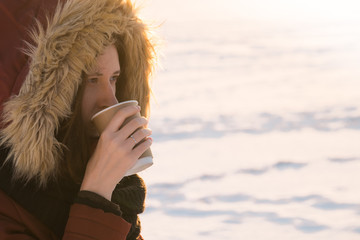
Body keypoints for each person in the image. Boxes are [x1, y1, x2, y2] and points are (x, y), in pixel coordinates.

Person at [0, 0, 157, 239]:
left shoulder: (89, 178)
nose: (110, 100)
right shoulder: (9, 206)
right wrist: (96, 197)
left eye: (114, 78)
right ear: (44, 96)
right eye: (91, 80)